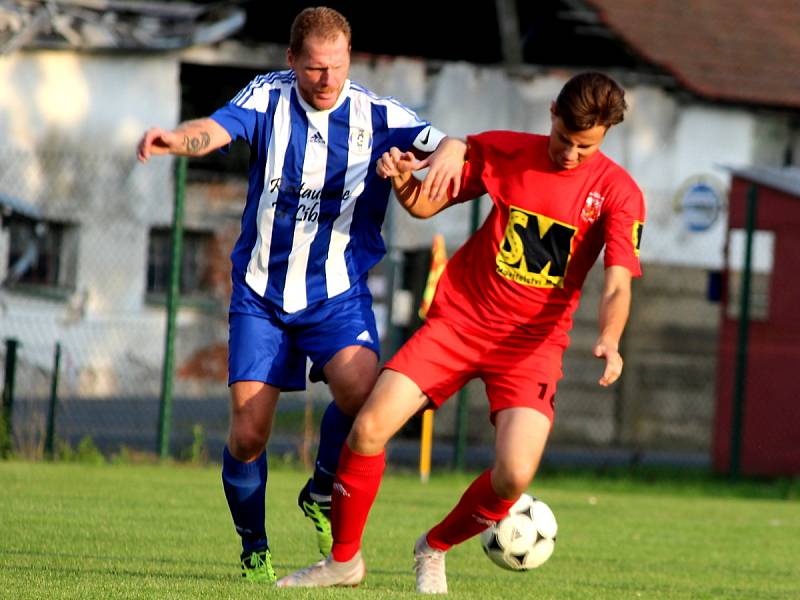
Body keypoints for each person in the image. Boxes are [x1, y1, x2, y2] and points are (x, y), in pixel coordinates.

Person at [277, 71, 646, 592]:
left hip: (530, 349)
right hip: (459, 323)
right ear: (552, 117)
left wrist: (610, 338)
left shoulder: (619, 193)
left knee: (514, 475)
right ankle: (344, 561)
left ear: (606, 134)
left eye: (585, 147)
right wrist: (406, 179)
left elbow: (617, 284)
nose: (570, 154)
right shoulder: (507, 151)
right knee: (367, 429)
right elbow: (426, 204)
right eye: (564, 139)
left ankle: (435, 546)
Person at [136, 6, 459, 583]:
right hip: (262, 292)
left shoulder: (377, 114)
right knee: (248, 431)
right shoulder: (267, 97)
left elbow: (447, 145)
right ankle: (254, 547)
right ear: (291, 62)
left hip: (336, 292)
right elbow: (214, 129)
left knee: (365, 395)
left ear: (349, 61)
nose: (326, 80)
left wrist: (440, 156)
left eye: (336, 67)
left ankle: (322, 488)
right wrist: (175, 140)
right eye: (313, 69)